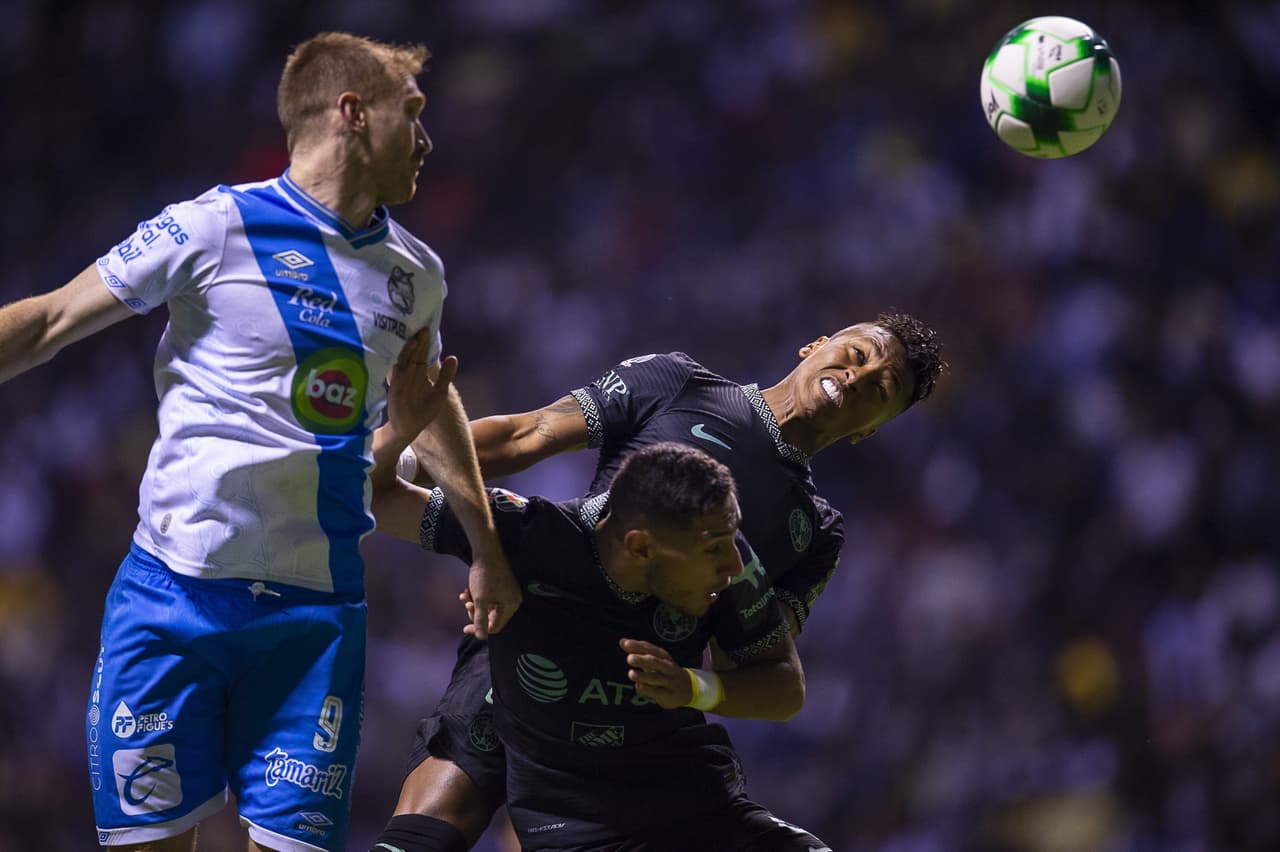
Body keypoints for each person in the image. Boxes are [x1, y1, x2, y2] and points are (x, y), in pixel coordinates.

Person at [0, 31, 520, 852]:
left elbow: (430, 396)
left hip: (317, 623)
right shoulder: (212, 227)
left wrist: (484, 542)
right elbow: (52, 320)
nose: (428, 138)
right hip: (173, 603)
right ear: (352, 113)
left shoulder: (416, 274)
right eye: (412, 114)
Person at [370, 312, 945, 850]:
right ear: (815, 346)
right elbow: (526, 434)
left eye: (881, 388)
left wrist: (693, 686)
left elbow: (761, 666)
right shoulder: (676, 383)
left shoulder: (814, 532)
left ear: (871, 429)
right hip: (534, 630)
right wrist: (382, 459)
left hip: (631, 703)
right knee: (436, 827)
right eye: (857, 353)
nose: (858, 375)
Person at [375, 441, 833, 850]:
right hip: (574, 830)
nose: (734, 563)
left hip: (697, 806)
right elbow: (375, 493)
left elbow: (786, 687)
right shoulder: (526, 538)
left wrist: (694, 687)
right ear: (640, 547)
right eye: (714, 547)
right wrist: (483, 551)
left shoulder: (732, 566)